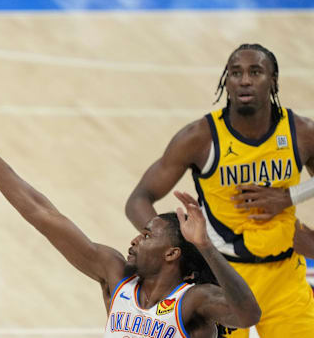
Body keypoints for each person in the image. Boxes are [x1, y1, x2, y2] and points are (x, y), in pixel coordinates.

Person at [0, 100, 260, 337]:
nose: (134, 239)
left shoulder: (193, 301)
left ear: (173, 253)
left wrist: (206, 247)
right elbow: (42, 214)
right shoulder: (115, 275)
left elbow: (248, 315)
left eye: (148, 236)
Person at [125, 44, 314, 337]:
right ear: (226, 82)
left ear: (273, 80)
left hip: (284, 275)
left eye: (255, 71)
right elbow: (138, 199)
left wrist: (291, 197)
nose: (245, 80)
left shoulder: (300, 132)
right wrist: (181, 250)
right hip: (225, 278)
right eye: (235, 72)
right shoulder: (199, 138)